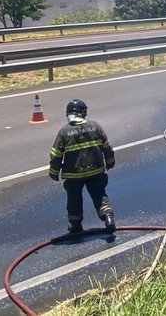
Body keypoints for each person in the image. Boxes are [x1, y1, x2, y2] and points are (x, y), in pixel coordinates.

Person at [48, 99, 117, 233]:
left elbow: (56, 155)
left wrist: (54, 172)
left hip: (73, 175)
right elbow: (107, 148)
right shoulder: (95, 127)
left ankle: (76, 225)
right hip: (96, 171)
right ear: (84, 113)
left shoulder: (64, 132)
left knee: (74, 199)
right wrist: (110, 162)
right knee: (99, 195)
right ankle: (108, 218)